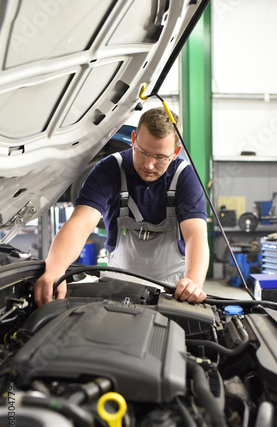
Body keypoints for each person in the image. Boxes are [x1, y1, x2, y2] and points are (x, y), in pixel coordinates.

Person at [34, 107, 209, 306]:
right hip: (117, 286)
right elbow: (80, 224)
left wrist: (193, 283)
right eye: (142, 152)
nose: (149, 165)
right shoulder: (109, 170)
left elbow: (196, 235)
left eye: (160, 157)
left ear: (175, 152)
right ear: (134, 139)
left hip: (171, 289)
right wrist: (56, 269)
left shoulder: (185, 177)